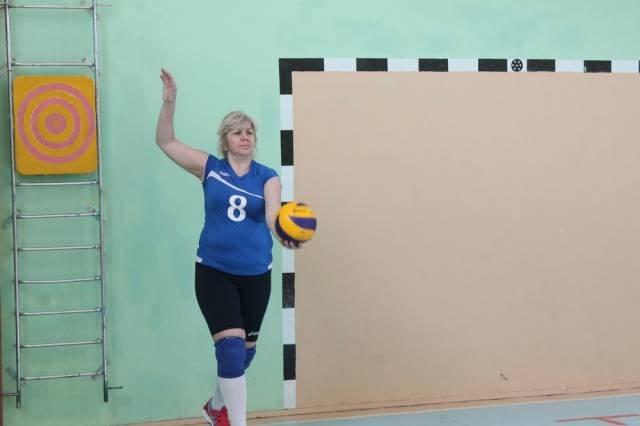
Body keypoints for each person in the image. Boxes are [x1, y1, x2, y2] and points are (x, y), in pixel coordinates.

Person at [156, 68, 298, 426]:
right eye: (238, 132)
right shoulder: (210, 168)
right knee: (231, 348)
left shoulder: (267, 177)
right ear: (226, 140)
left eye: (249, 132)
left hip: (256, 274)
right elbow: (166, 142)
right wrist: (169, 103)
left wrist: (283, 231)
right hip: (214, 270)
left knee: (244, 354)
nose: (245, 136)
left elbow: (272, 214)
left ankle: (214, 407)